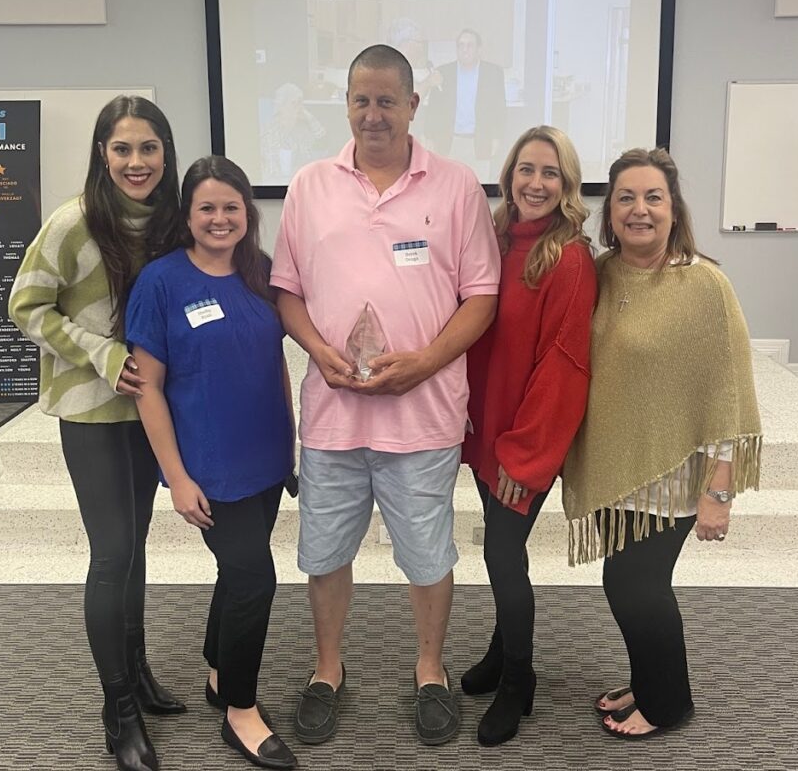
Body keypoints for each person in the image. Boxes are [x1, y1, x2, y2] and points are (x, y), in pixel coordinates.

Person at [270, 44, 501, 747]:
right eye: (361, 100)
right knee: (324, 553)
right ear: (346, 104)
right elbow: (288, 290)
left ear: (412, 105)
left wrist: (425, 362)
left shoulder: (456, 186)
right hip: (334, 414)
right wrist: (318, 351)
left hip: (423, 416)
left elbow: (481, 296)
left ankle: (429, 669)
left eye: (387, 101)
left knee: (428, 554)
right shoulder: (309, 184)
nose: (374, 114)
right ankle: (327, 668)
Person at [561, 147, 763, 739]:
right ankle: (646, 682)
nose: (639, 210)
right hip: (617, 464)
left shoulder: (704, 285)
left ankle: (669, 702)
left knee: (633, 586)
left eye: (653, 197)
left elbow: (728, 393)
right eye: (626, 197)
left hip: (675, 474)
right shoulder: (600, 274)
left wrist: (719, 490)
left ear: (674, 209)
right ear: (609, 211)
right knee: (630, 586)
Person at [9, 95, 184, 771]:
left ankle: (136, 672)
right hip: (92, 409)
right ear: (102, 154)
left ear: (165, 154)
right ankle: (117, 707)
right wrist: (102, 353)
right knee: (112, 553)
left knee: (134, 545)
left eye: (147, 148)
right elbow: (25, 305)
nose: (135, 162)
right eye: (122, 149)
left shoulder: (170, 223)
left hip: (150, 411)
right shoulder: (73, 222)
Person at [125, 156, 298, 770]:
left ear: (247, 214)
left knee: (237, 570)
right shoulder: (162, 282)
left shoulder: (261, 273)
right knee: (255, 576)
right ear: (188, 215)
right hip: (211, 464)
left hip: (267, 455)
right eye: (207, 208)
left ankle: (219, 673)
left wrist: (292, 440)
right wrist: (176, 477)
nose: (220, 218)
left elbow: (274, 360)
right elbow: (147, 386)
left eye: (231, 207)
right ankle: (241, 711)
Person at [459, 126, 597, 746]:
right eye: (526, 170)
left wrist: (527, 450)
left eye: (550, 173)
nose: (536, 184)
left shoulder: (567, 257)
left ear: (566, 186)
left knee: (502, 554)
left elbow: (564, 366)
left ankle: (519, 680)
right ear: (509, 175)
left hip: (525, 437)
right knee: (497, 545)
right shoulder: (493, 238)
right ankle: (499, 652)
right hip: (487, 424)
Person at [425, 29, 507, 180]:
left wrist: (497, 138)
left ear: (479, 49)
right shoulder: (443, 72)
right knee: (448, 187)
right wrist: (430, 137)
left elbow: (499, 108)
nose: (465, 49)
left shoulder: (493, 73)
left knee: (479, 187)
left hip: (481, 141)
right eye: (461, 45)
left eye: (470, 45)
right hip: (450, 143)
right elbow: (433, 109)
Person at [260, 83, 326, 183]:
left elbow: (321, 138)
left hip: (302, 185)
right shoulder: (270, 131)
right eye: (294, 103)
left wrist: (308, 116)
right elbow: (272, 171)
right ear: (281, 106)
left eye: (301, 103)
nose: (299, 108)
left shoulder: (302, 129)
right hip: (276, 190)